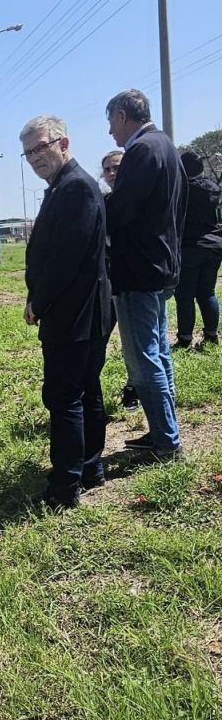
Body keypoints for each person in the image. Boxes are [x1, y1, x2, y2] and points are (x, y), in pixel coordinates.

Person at [20, 116, 112, 508]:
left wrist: (37, 302)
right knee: (85, 390)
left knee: (64, 397)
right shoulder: (64, 185)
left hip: (75, 314)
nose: (35, 157)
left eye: (41, 147)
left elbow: (65, 260)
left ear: (63, 142)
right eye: (28, 152)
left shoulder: (75, 187)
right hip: (82, 312)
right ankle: (89, 467)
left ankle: (65, 487)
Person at [105, 88, 187, 459]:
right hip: (161, 265)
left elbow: (122, 210)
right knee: (159, 351)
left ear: (122, 115)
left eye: (111, 121)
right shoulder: (166, 145)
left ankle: (166, 443)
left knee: (143, 358)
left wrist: (93, 209)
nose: (110, 131)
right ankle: (165, 432)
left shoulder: (140, 150)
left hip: (138, 269)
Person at [102, 150, 140, 412]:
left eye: (117, 167)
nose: (112, 173)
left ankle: (134, 387)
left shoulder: (138, 199)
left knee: (135, 341)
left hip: (135, 281)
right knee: (103, 336)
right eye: (107, 169)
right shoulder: (103, 201)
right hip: (108, 281)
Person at [174, 150, 222, 349]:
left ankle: (185, 338)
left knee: (185, 295)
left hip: (190, 247)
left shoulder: (181, 189)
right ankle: (212, 334)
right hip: (214, 246)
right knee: (207, 292)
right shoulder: (213, 188)